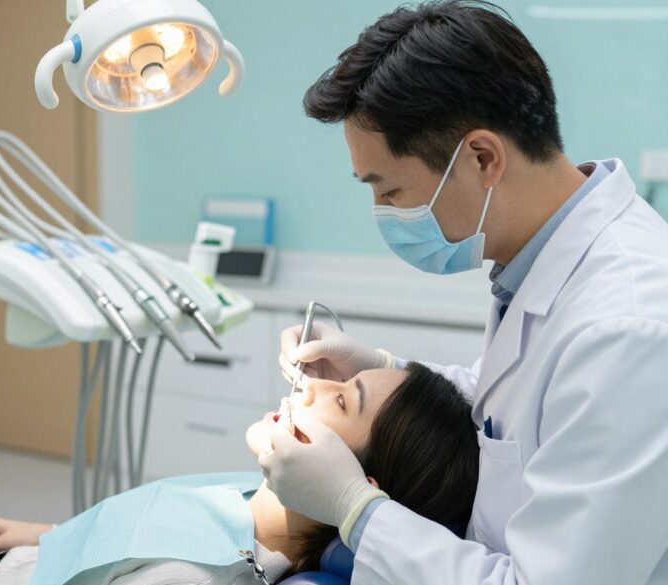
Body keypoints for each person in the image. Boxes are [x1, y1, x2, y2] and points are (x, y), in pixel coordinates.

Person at [260, 1, 668, 583]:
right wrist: (379, 366)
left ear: (482, 157)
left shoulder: (630, 326)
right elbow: (517, 407)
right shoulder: (537, 262)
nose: (383, 213)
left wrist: (356, 511)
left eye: (391, 190)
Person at [0, 363, 477, 585]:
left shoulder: (199, 578)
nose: (310, 384)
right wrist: (50, 530)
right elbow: (137, 532)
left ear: (356, 484)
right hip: (43, 553)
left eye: (341, 399)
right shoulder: (259, 501)